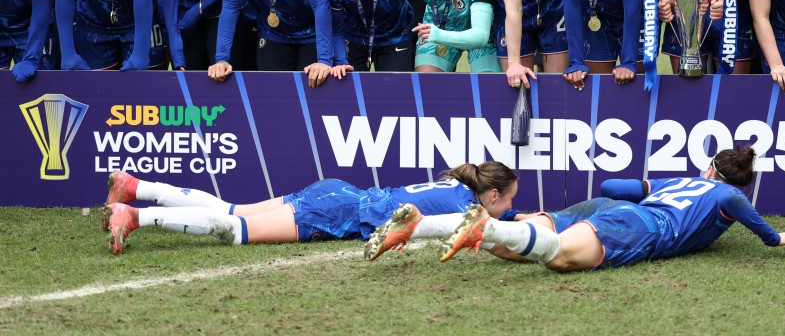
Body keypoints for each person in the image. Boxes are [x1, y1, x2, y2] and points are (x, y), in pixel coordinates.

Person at [372, 146, 785, 271]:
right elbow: (746, 213)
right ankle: (485, 229)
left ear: (709, 166)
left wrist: (648, 185)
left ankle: (420, 226)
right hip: (640, 227)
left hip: (608, 205)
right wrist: (775, 237)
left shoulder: (680, 180)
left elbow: (611, 185)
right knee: (555, 255)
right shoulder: (729, 196)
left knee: (518, 247)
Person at [103, 161, 518, 255]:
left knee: (234, 209)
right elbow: (460, 230)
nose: (510, 207)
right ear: (493, 195)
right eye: (510, 200)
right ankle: (136, 216)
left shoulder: (456, 186)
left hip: (339, 193)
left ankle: (135, 185)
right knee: (235, 228)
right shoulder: (467, 207)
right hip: (340, 212)